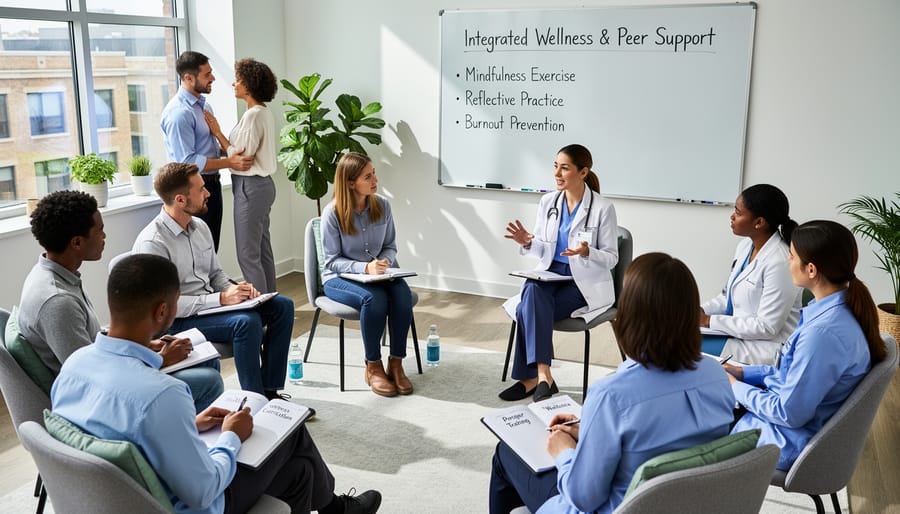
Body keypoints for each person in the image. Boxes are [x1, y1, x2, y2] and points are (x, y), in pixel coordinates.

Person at [50, 253, 381, 514]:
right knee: (290, 431)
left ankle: (333, 508)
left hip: (115, 501)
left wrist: (191, 424)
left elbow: (122, 435)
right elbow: (203, 491)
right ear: (164, 311)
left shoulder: (73, 366)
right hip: (187, 506)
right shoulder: (162, 394)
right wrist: (231, 438)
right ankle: (335, 508)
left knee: (299, 473)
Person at [489, 253, 736, 514]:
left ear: (629, 315)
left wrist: (564, 451)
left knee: (506, 453)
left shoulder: (611, 396)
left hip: (612, 508)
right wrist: (588, 430)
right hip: (683, 504)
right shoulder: (716, 376)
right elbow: (661, 435)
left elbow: (583, 497)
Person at [16, 190, 223, 412]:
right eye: (100, 231)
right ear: (76, 242)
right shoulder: (58, 302)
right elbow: (93, 375)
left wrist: (142, 345)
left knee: (206, 361)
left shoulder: (54, 273)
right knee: (209, 381)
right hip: (98, 399)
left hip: (105, 371)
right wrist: (159, 361)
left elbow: (89, 342)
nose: (104, 237)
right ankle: (182, 438)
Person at [725, 220, 887, 471]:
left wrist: (735, 387)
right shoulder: (834, 312)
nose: (787, 263)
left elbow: (788, 413)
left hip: (782, 441)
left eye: (790, 257)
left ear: (811, 269)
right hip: (785, 424)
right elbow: (791, 373)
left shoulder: (822, 334)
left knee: (689, 419)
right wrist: (743, 373)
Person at [132, 162, 294, 399]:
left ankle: (269, 390)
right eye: (200, 189)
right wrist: (221, 299)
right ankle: (256, 399)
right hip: (174, 321)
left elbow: (216, 274)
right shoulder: (153, 243)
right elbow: (162, 308)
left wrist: (235, 290)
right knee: (246, 322)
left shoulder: (200, 227)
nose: (208, 193)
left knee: (283, 306)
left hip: (208, 309)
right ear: (180, 200)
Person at [500, 144, 618, 403]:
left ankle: (530, 378)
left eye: (564, 167)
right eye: (555, 166)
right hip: (550, 276)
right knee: (532, 289)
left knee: (526, 308)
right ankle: (543, 376)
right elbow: (543, 247)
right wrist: (527, 242)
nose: (557, 173)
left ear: (583, 172)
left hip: (582, 284)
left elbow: (611, 258)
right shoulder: (548, 201)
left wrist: (588, 252)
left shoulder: (602, 208)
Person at [320, 152, 414, 397]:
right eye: (368, 176)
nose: (375, 180)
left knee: (402, 293)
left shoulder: (382, 205)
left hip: (377, 275)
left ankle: (396, 363)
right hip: (338, 279)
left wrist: (384, 262)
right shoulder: (333, 213)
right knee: (375, 300)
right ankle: (373, 366)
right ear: (351, 183)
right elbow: (331, 261)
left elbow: (391, 245)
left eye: (374, 174)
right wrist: (364, 268)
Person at [161, 50, 255, 252]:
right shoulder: (178, 114)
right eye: (207, 74)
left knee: (211, 249)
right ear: (188, 78)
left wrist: (228, 151)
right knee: (196, 253)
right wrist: (230, 162)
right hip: (190, 191)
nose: (213, 78)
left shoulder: (204, 107)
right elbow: (188, 161)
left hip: (212, 187)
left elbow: (206, 148)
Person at [700, 183, 802, 364]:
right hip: (736, 335)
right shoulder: (745, 247)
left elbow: (767, 327)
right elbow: (726, 298)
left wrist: (708, 321)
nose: (732, 217)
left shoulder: (780, 261)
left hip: (764, 348)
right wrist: (700, 312)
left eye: (738, 213)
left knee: (681, 346)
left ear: (759, 222)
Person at [204, 58, 279, 292]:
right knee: (262, 251)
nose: (233, 84)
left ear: (250, 84)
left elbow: (241, 159)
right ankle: (272, 304)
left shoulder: (253, 115)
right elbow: (240, 150)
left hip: (250, 187)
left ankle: (261, 309)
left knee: (247, 255)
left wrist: (217, 132)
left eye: (238, 80)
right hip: (261, 187)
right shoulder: (262, 112)